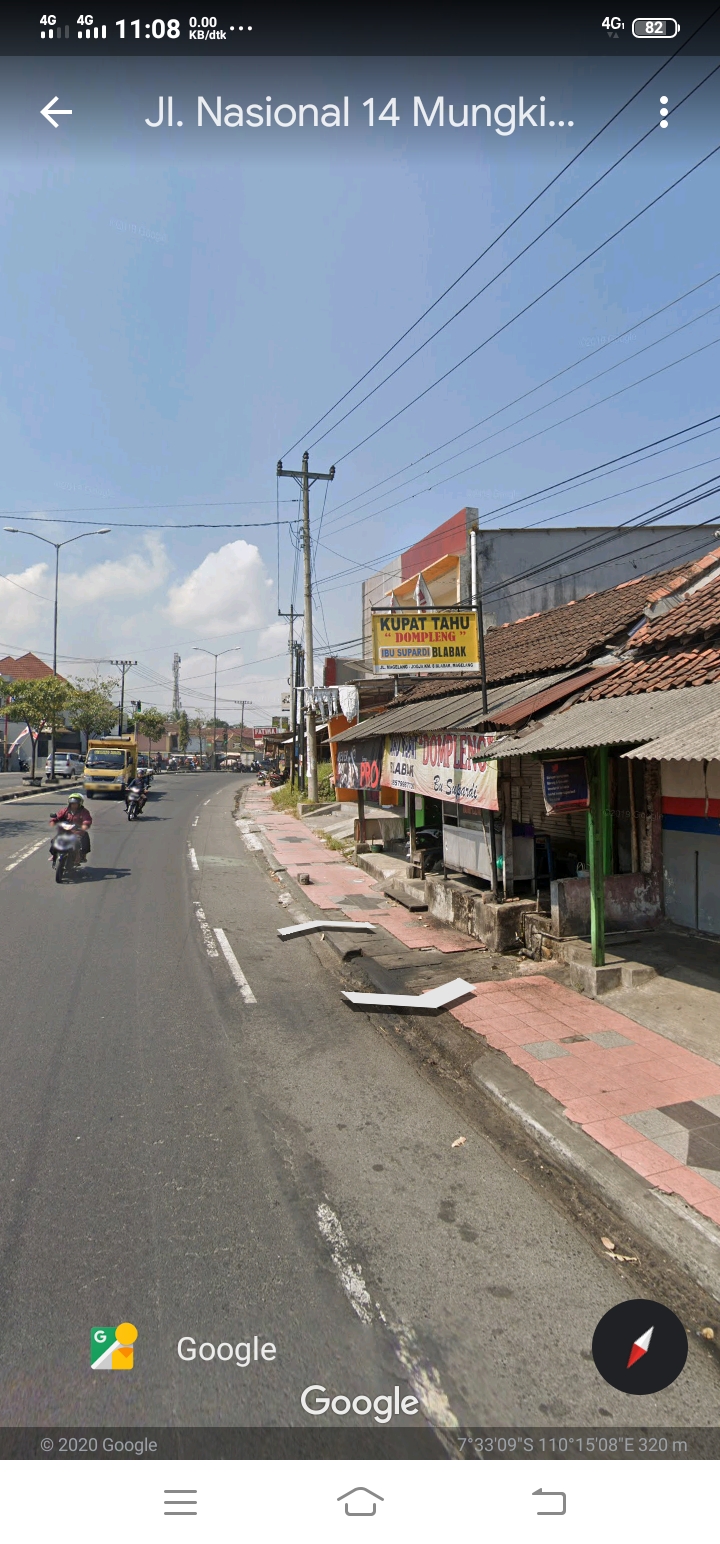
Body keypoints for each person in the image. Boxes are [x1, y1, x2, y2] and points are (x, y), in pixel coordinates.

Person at [50, 792, 92, 863]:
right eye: (72, 803)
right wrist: (53, 821)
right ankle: (55, 855)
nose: (73, 805)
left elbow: (87, 819)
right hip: (65, 831)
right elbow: (58, 816)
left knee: (79, 842)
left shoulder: (84, 812)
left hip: (77, 832)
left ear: (80, 803)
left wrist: (84, 825)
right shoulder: (65, 810)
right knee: (54, 841)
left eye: (75, 803)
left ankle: (79, 856)